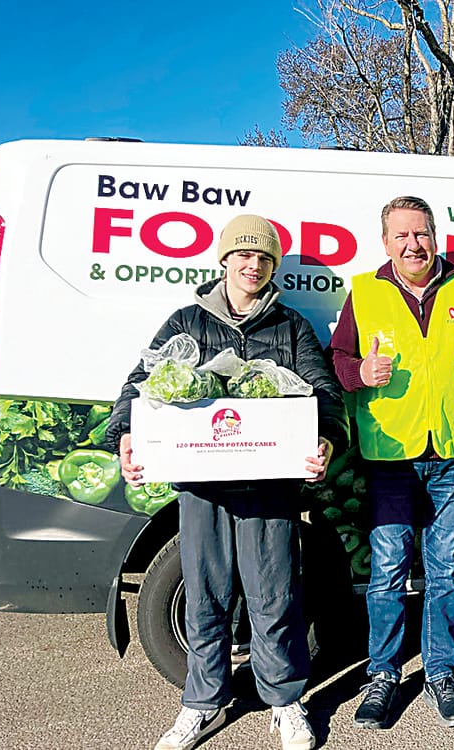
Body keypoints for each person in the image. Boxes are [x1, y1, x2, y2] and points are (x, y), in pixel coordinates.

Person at [105, 214, 349, 750]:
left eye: (263, 258)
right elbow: (140, 384)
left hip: (269, 489)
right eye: (243, 255)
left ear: (272, 267)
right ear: (224, 261)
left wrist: (327, 437)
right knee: (205, 596)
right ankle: (200, 703)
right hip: (203, 487)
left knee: (274, 595)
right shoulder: (187, 322)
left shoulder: (290, 328)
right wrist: (127, 431)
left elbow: (324, 390)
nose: (252, 265)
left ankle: (284, 701)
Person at [330, 196, 454, 729]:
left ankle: (440, 674)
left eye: (423, 234)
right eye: (402, 236)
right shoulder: (365, 291)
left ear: (436, 236)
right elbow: (337, 359)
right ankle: (382, 675)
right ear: (385, 242)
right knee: (387, 572)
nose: (414, 245)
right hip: (391, 456)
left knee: (445, 572)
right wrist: (361, 373)